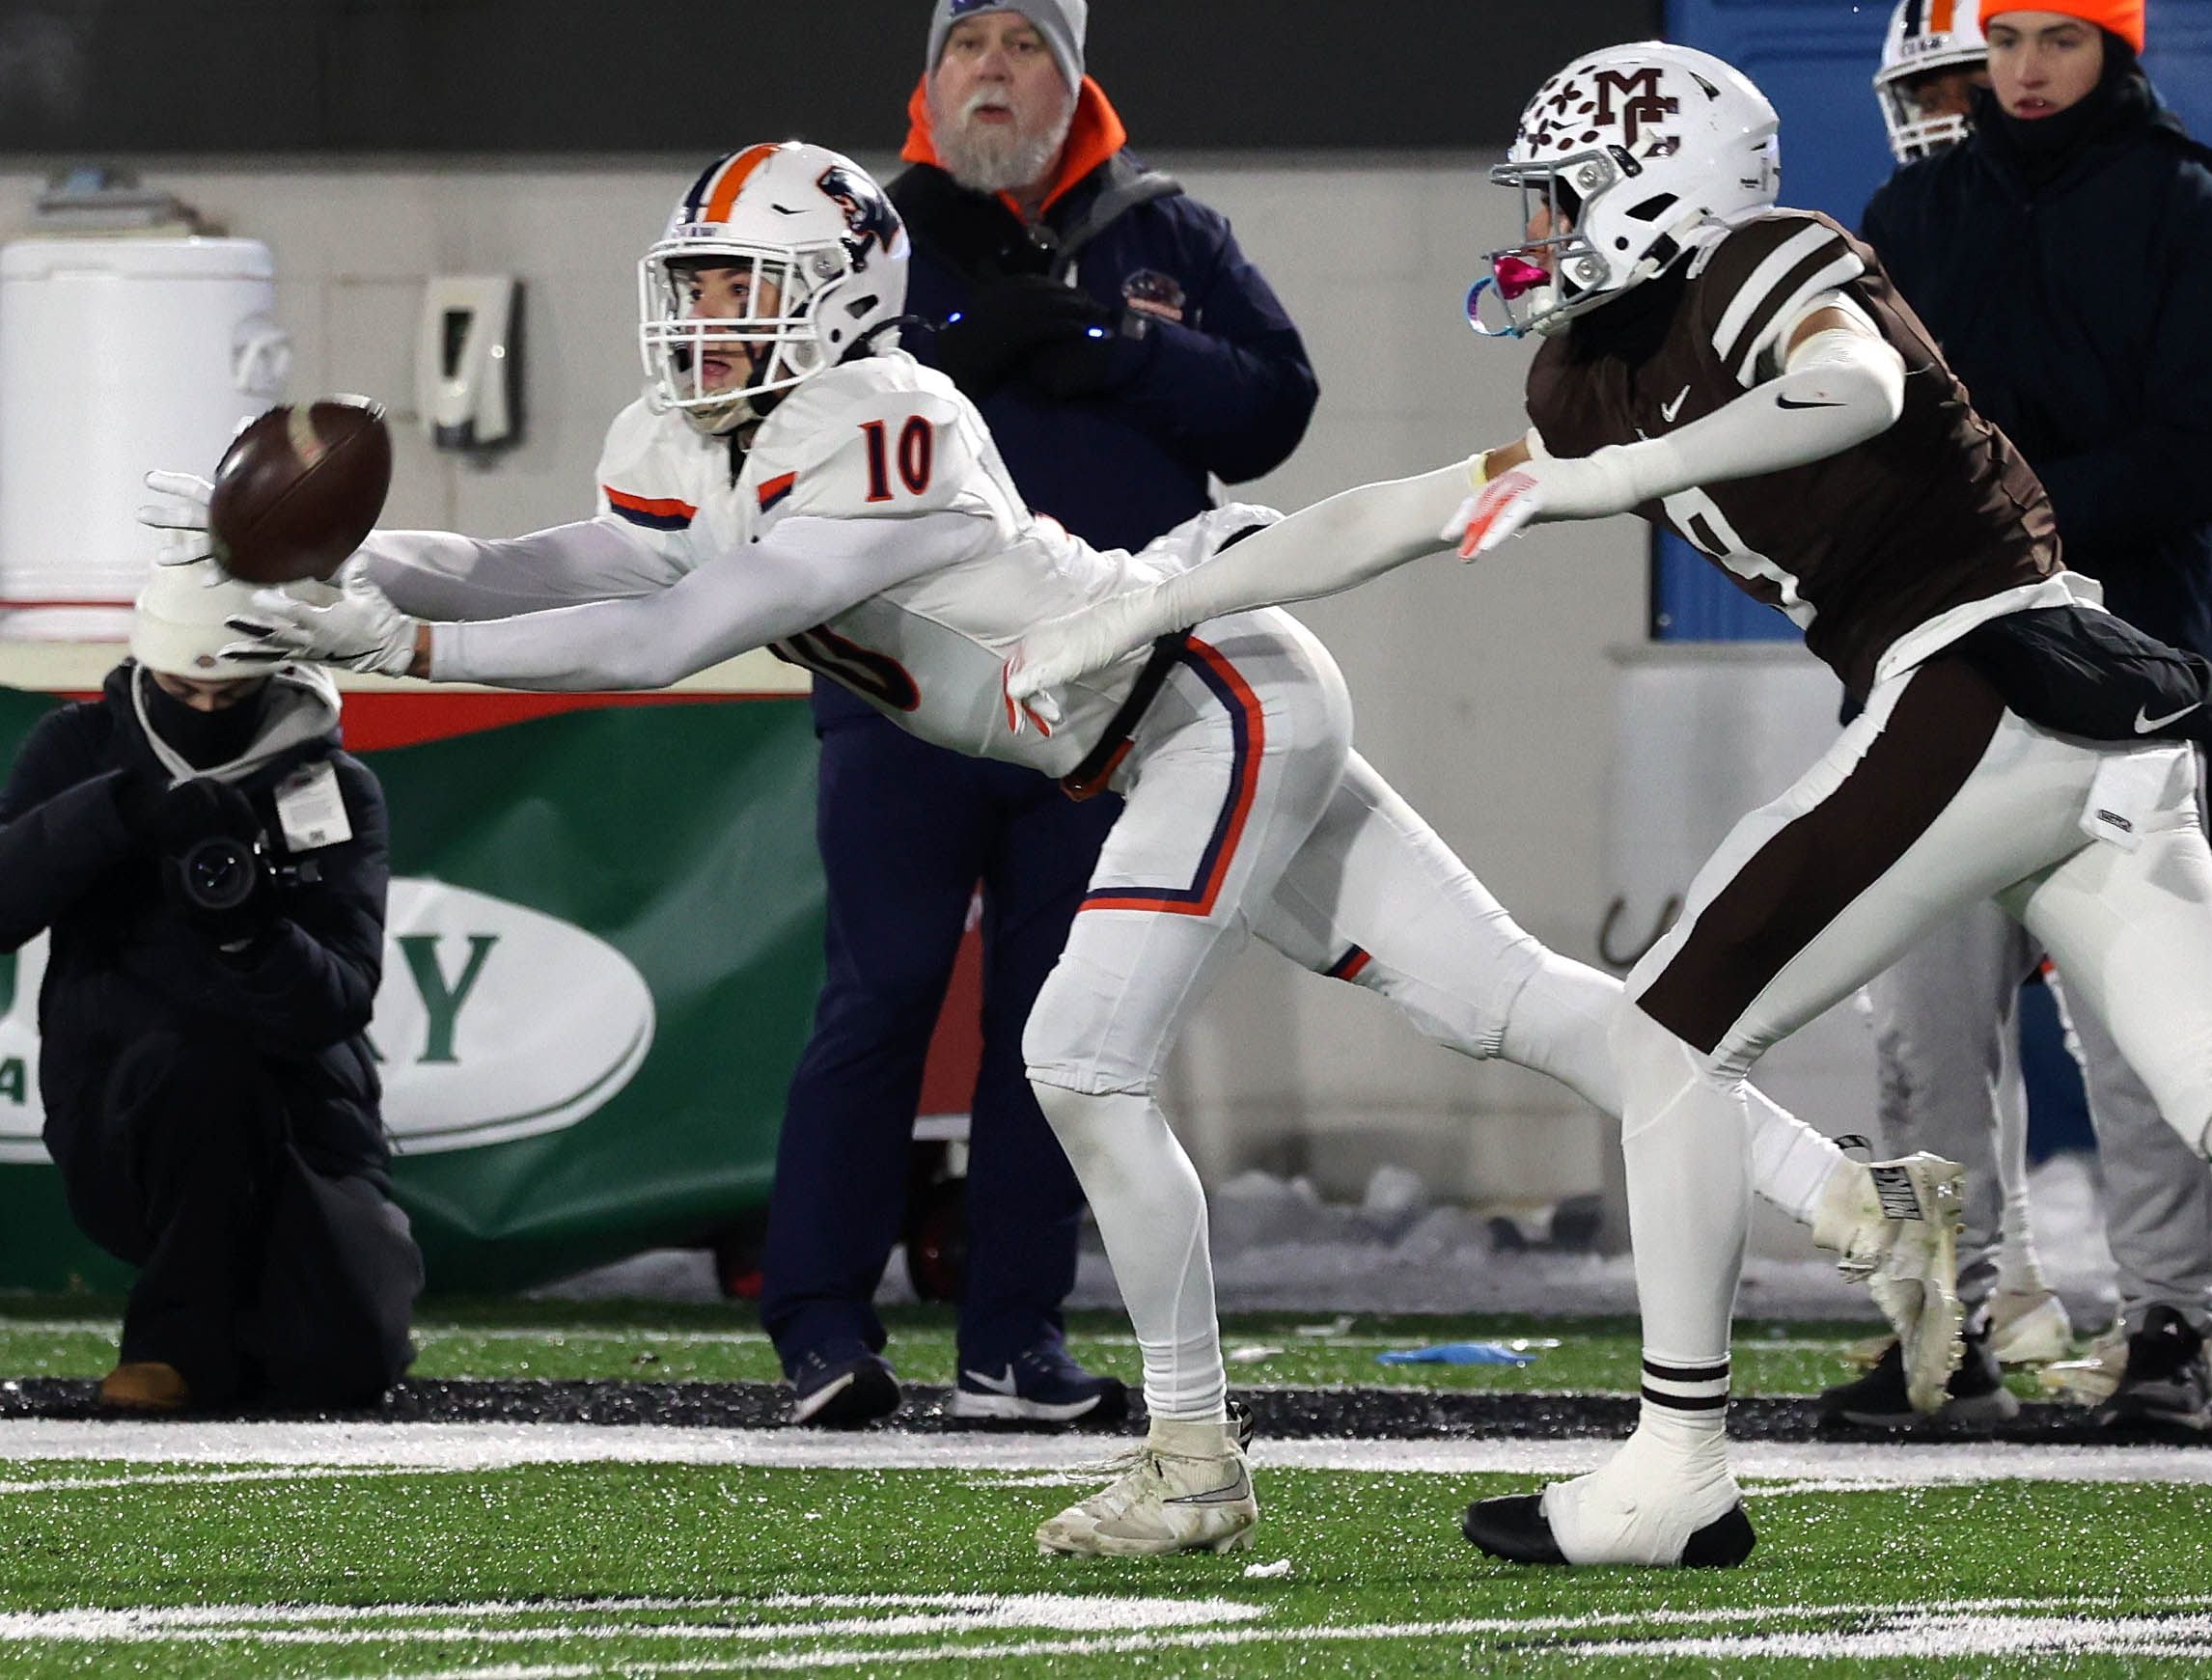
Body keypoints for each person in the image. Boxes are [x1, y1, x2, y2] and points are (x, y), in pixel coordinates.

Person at [192, 141, 1956, 1555]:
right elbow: (556, 563)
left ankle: (1193, 1454)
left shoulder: (882, 421)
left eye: (746, 289)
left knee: (1075, 1055)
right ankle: (1856, 1200)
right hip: (1160, 727)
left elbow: (670, 634)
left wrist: (404, 652)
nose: (709, 321)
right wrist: (366, 578)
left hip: (1202, 696)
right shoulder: (687, 435)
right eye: (698, 286)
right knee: (1507, 1001)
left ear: (843, 298)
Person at [1005, 40, 2212, 1565]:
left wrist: (1612, 477)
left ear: (1661, 188)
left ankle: (1677, 1464)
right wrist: (1128, 615)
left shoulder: (1767, 263)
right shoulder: (1591, 370)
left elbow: (1852, 383)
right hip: (2080, 710)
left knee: (1672, 1037)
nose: (1541, 230)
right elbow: (1384, 515)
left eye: (1566, 196)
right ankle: (1674, 1469)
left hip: (1984, 668)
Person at [756, 0, 1320, 1429]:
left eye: (1023, 47)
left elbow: (1276, 408)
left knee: (1058, 1022)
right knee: (877, 995)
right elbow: (774, 407)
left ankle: (1015, 1339)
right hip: (908, 692)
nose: (991, 72)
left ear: (1075, 84)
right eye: (968, 47)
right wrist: (957, 338)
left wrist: (1111, 347)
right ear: (928, 78)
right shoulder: (867, 228)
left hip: (1097, 709)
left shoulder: (1165, 232)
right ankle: (820, 1328)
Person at [1837, 0, 2212, 1431]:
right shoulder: (1910, 210)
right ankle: (1954, 1314)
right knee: (1922, 1025)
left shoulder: (2185, 202)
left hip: (2126, 667)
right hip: (1938, 673)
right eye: (2008, 42)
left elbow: (2193, 443)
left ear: (2112, 46)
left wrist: (2002, 527)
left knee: (2140, 1025)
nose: (2028, 70)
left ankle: (2175, 1322)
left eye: (2062, 38)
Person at [0, 559, 419, 1413]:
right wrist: (117, 811)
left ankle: (245, 1336)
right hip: (125, 1118)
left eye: (229, 699)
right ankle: (167, 1347)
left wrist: (251, 932)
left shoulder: (332, 790)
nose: (204, 713)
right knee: (206, 1066)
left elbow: (340, 997)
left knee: (342, 1366)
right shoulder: (77, 750)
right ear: (148, 666)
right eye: (183, 692)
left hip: (303, 1123)